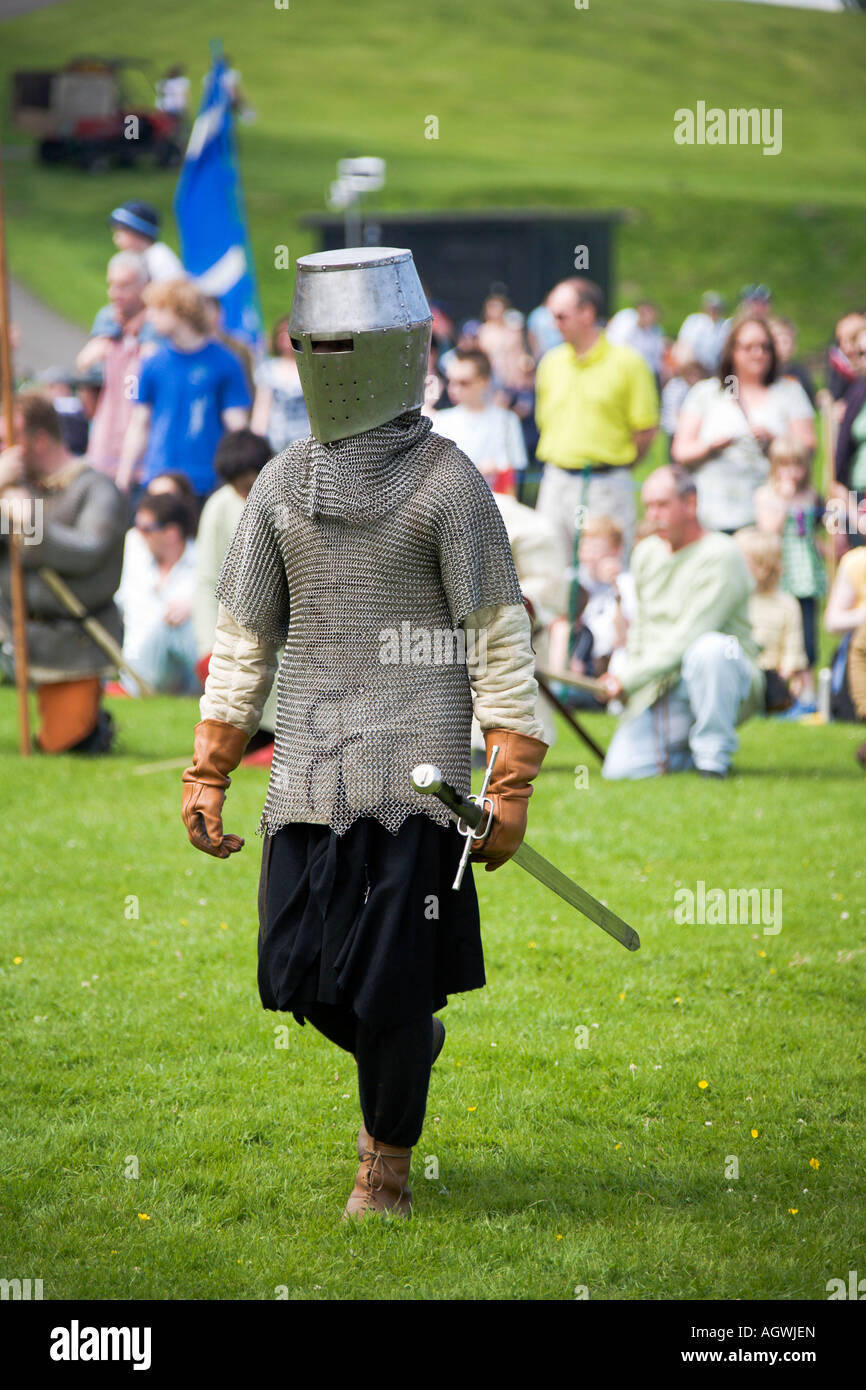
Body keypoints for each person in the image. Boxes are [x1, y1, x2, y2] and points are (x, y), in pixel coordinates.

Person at [180, 246, 547, 1221]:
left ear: (398, 349)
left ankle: (382, 1167)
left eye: (349, 343)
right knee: (295, 972)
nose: (332, 360)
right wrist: (209, 768)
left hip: (411, 782)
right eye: (318, 343)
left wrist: (507, 785)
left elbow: (497, 643)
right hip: (306, 767)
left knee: (385, 987)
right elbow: (243, 643)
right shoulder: (280, 485)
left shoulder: (447, 485)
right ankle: (407, 1048)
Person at [599, 465, 764, 780]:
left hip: (724, 675)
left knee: (710, 648)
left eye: (662, 504)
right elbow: (643, 630)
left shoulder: (722, 554)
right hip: (664, 682)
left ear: (691, 504)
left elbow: (690, 634)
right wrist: (630, 686)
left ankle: (713, 762)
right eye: (648, 506)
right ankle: (687, 751)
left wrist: (628, 678)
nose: (653, 515)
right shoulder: (646, 553)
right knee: (620, 770)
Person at [0, 393, 126, 753]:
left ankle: (92, 729)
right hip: (14, 629)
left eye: (9, 441)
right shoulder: (16, 489)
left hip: (73, 639)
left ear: (38, 441)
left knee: (63, 744)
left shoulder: (97, 489)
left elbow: (86, 552)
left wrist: (29, 518)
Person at [534, 276, 658, 564]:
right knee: (551, 571)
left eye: (561, 316)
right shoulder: (550, 363)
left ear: (587, 313)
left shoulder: (628, 363)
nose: (555, 323)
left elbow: (646, 430)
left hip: (605, 483)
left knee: (605, 572)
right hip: (555, 481)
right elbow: (545, 422)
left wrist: (613, 466)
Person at [671, 316, 816, 534]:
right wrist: (712, 446)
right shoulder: (708, 393)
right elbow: (680, 450)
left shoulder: (788, 391)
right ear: (732, 351)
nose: (758, 354)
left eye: (764, 347)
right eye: (748, 347)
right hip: (712, 513)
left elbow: (809, 446)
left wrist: (776, 442)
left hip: (770, 516)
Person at [117, 279, 251, 502]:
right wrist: (123, 477)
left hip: (209, 482)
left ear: (181, 310)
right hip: (159, 480)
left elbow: (237, 427)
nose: (150, 317)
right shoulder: (152, 363)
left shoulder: (226, 362)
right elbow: (139, 424)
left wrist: (245, 475)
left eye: (158, 309)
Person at [194, 429, 279, 764]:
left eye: (249, 485)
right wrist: (206, 645)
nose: (244, 494)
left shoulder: (291, 502)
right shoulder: (218, 508)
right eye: (238, 488)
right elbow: (206, 579)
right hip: (240, 631)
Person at [76, 252, 155, 485]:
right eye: (112, 285)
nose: (114, 293)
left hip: (144, 456)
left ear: (145, 286)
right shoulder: (107, 320)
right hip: (104, 447)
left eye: (124, 286)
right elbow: (85, 363)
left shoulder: (157, 325)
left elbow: (152, 360)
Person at [116, 491, 198, 696]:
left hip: (187, 663)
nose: (139, 534)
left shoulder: (201, 563)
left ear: (171, 532)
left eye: (146, 529)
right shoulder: (135, 554)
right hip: (139, 662)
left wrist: (195, 606)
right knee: (161, 624)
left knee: (182, 622)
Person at [754, 437, 826, 670]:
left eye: (798, 465)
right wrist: (784, 500)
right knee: (782, 631)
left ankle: (806, 682)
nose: (792, 472)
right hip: (782, 571)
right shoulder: (766, 495)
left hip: (805, 572)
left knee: (807, 637)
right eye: (784, 465)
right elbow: (768, 531)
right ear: (774, 466)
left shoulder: (810, 495)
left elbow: (811, 532)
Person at [735, 527, 811, 713]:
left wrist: (786, 673)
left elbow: (793, 649)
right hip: (737, 675)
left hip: (772, 679)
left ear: (764, 567)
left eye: (739, 562)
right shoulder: (734, 598)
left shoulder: (786, 604)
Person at [433, 348, 527, 494]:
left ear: (484, 381)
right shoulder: (440, 421)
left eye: (464, 382)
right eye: (451, 381)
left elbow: (512, 479)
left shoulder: (507, 420)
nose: (454, 388)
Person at [250, 316, 310, 452]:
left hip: (304, 440)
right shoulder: (269, 369)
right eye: (282, 334)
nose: (285, 339)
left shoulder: (309, 369)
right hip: (275, 440)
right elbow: (262, 407)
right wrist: (257, 438)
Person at [108, 201, 184, 285]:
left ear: (137, 232)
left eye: (120, 232)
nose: (115, 238)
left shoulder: (159, 258)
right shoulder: (137, 256)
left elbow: (170, 293)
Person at [677, 291, 730, 372]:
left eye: (716, 308)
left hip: (716, 367)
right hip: (695, 366)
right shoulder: (694, 321)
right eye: (711, 308)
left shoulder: (724, 325)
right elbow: (685, 344)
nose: (713, 311)